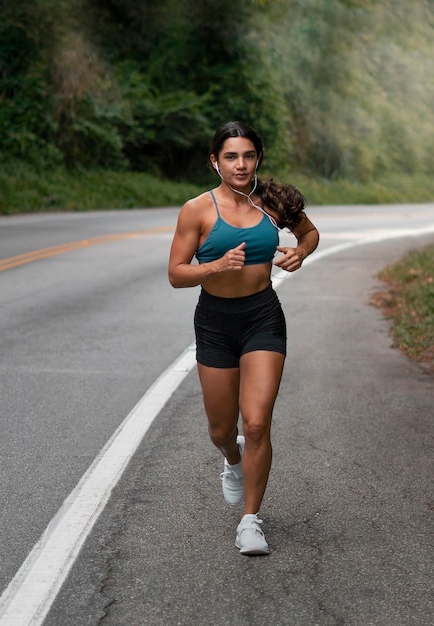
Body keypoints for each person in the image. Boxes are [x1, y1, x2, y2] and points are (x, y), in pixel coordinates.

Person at [168, 121, 319, 555]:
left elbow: (309, 233)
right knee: (221, 429)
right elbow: (176, 274)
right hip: (214, 322)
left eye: (248, 155)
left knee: (256, 422)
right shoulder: (197, 210)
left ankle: (250, 521)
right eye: (231, 156)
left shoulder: (274, 202)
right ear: (215, 161)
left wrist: (300, 253)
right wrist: (214, 266)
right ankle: (231, 460)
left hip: (262, 317)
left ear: (258, 159)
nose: (241, 164)